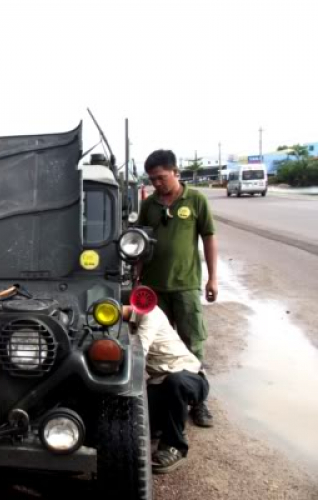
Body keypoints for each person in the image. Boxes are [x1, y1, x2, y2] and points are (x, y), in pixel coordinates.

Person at [138, 149, 217, 428]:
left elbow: (208, 238)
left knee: (192, 341)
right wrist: (137, 279)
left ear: (175, 172)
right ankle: (164, 401)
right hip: (153, 287)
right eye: (152, 179)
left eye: (160, 178)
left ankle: (199, 402)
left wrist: (212, 278)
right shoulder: (149, 206)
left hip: (185, 285)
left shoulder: (195, 200)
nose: (156, 184)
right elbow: (139, 244)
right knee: (162, 346)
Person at [124, 305, 209, 474]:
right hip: (160, 382)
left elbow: (138, 352)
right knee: (135, 424)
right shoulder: (125, 324)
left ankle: (175, 446)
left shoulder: (150, 313)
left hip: (189, 376)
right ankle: (164, 424)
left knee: (174, 382)